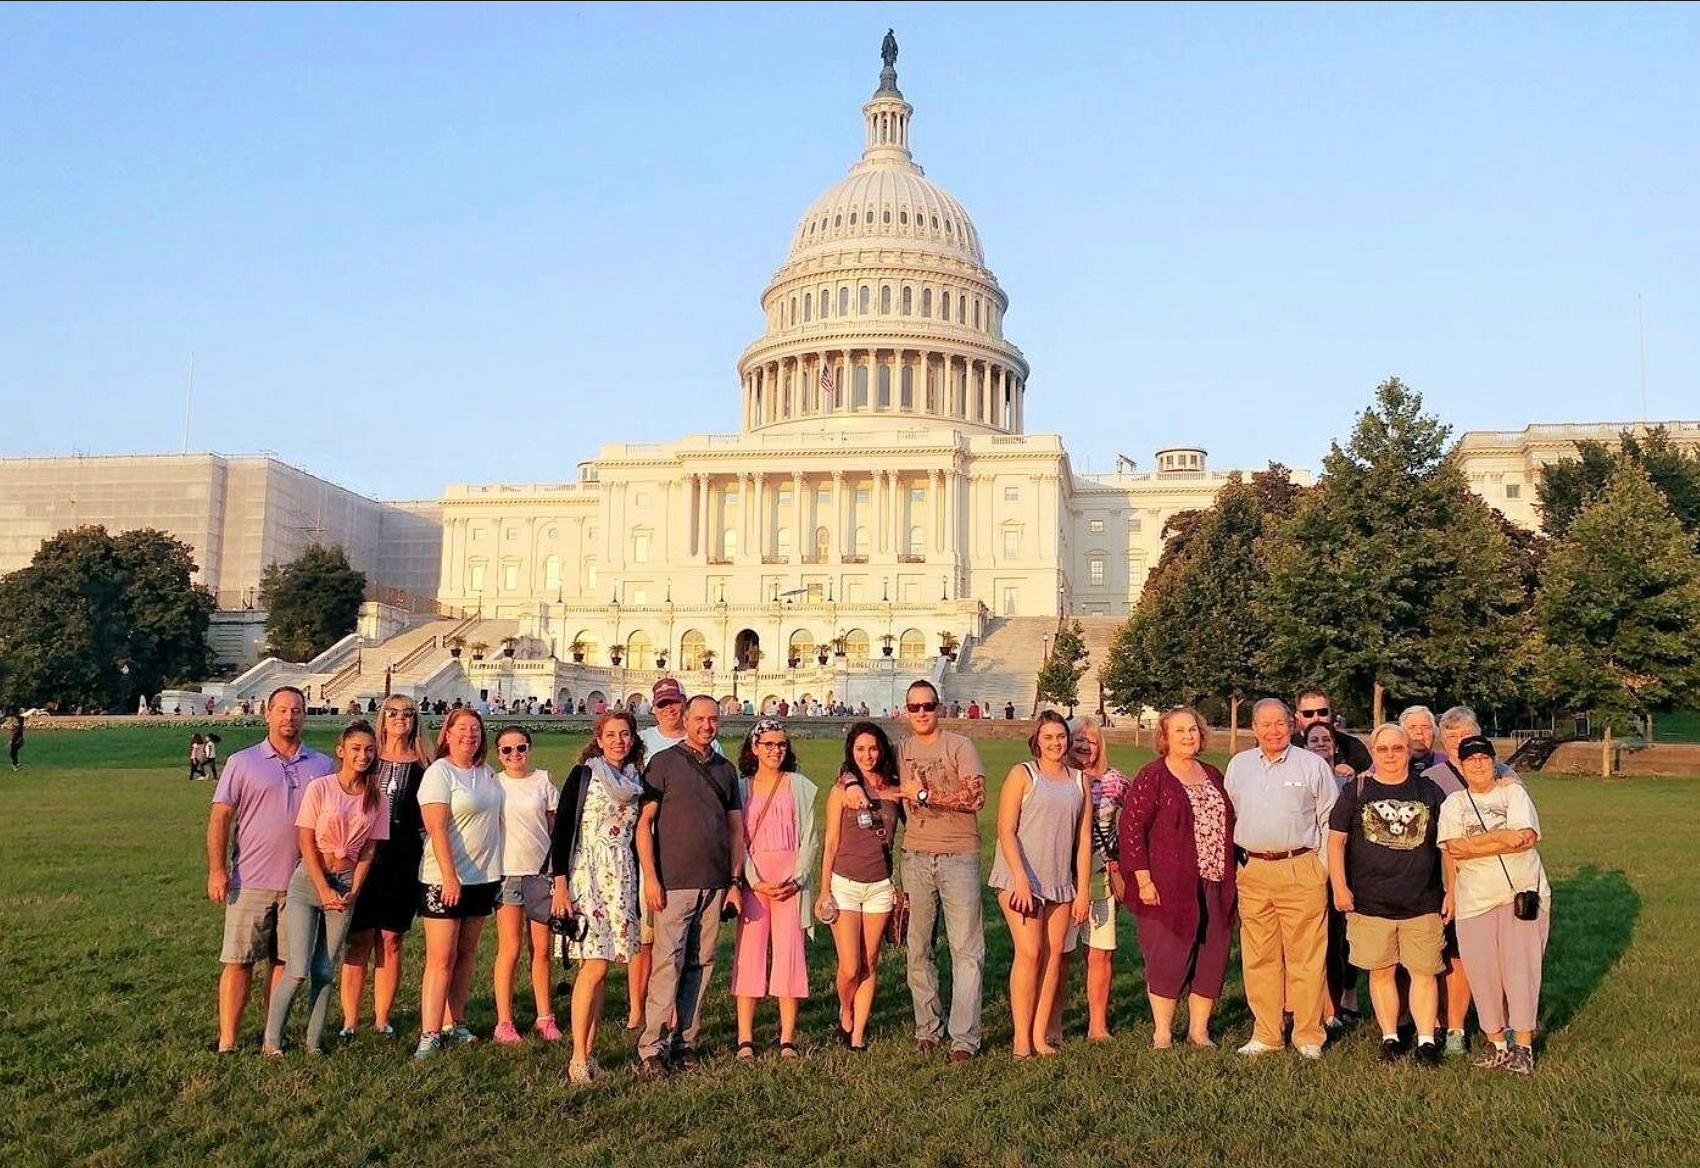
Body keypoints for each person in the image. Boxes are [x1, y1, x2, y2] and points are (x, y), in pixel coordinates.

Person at [206, 686, 335, 1052]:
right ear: (268, 714)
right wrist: (217, 870)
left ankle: (270, 1035)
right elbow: (220, 818)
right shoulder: (243, 762)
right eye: (282, 710)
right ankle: (228, 1039)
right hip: (250, 879)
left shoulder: (323, 766)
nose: (289, 717)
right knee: (239, 961)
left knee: (284, 963)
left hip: (301, 884)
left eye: (297, 710)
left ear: (305, 716)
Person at [874, 679, 986, 1061]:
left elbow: (976, 797)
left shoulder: (959, 746)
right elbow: (865, 766)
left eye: (928, 706)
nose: (922, 713)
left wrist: (924, 795)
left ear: (939, 708)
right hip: (916, 856)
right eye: (915, 707)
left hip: (959, 856)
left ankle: (964, 1037)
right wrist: (848, 782)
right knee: (919, 948)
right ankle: (927, 1027)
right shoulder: (900, 750)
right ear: (906, 711)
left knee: (966, 949)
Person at [1327, 723, 1450, 1067]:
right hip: (1370, 902)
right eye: (1383, 749)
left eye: (1398, 748)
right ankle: (1390, 1037)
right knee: (1380, 971)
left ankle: (1426, 1040)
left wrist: (1451, 891)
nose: (1391, 755)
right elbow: (1336, 841)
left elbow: (1448, 847)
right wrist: (1340, 886)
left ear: (1409, 751)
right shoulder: (1356, 790)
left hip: (1421, 901)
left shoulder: (1429, 791)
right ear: (1374, 752)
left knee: (1423, 972)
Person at [262, 721, 389, 1054]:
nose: (363, 755)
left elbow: (370, 850)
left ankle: (313, 1041)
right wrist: (323, 888)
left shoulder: (376, 797)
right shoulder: (321, 787)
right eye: (357, 748)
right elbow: (305, 838)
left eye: (369, 750)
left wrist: (354, 890)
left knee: (325, 969)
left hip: (346, 884)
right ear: (341, 750)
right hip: (309, 881)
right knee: (297, 968)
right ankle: (272, 1040)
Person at [634, 695, 745, 1075]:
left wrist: (733, 881)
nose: (706, 726)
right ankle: (652, 1044)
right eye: (699, 719)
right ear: (684, 719)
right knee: (668, 962)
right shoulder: (663, 763)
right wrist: (651, 876)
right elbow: (644, 826)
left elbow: (735, 829)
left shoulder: (726, 770)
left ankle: (685, 1039)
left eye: (713, 720)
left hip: (714, 880)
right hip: (675, 880)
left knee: (702, 963)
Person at [1223, 698, 1338, 1059]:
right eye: (1265, 724)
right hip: (1254, 870)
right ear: (1253, 728)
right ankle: (1267, 1033)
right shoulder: (1239, 766)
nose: (1273, 731)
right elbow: (1235, 813)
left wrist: (1321, 868)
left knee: (1305, 955)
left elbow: (1329, 820)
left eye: (1280, 724)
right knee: (1259, 955)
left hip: (1300, 867)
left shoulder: (1312, 765)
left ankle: (1307, 1035)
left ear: (1292, 725)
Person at [1118, 706, 1237, 1048]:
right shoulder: (1153, 775)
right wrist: (1143, 879)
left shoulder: (1213, 774)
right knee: (1168, 955)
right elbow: (1131, 829)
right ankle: (1163, 1032)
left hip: (1215, 878)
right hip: (1168, 884)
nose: (1188, 736)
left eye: (1193, 730)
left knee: (1213, 954)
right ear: (1164, 738)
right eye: (1180, 731)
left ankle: (1199, 1031)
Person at [1437, 736, 1550, 1075]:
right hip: (1475, 901)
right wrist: (1500, 839)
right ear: (1460, 764)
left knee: (1521, 970)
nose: (1477, 765)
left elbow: (1524, 838)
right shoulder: (1454, 803)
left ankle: (1523, 1046)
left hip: (1521, 894)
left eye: (1483, 759)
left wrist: (1473, 846)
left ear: (1493, 761)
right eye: (1469, 760)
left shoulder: (1513, 792)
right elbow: (1451, 848)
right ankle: (1497, 1042)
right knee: (1483, 974)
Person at [988, 710, 1091, 1059]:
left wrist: (1083, 890)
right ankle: (1020, 1038)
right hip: (1020, 879)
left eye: (1060, 737)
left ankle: (1040, 1035)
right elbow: (1005, 829)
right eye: (1048, 737)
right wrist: (1020, 879)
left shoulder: (1080, 781)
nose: (1055, 743)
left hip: (1060, 882)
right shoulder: (1023, 774)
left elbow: (1084, 838)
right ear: (1037, 741)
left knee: (1053, 956)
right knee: (1030, 953)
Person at [551, 711, 647, 1083]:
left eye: (625, 734)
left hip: (621, 874)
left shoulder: (636, 779)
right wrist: (560, 885)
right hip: (587, 871)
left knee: (605, 966)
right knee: (592, 966)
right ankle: (577, 1057)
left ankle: (589, 1053)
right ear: (599, 738)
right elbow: (562, 831)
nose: (619, 740)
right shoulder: (584, 773)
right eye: (611, 735)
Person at [1423, 705, 1518, 1054]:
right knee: (1459, 957)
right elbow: (1441, 842)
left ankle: (1508, 1025)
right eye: (1450, 737)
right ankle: (1455, 1028)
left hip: (1502, 880)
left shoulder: (1505, 774)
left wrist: (1473, 845)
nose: (1457, 743)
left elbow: (1518, 830)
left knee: (1505, 956)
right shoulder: (1434, 779)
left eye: (1464, 735)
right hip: (1454, 880)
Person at [414, 708, 505, 1058]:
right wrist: (450, 877)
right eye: (461, 728)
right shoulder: (440, 773)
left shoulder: (487, 774)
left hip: (482, 877)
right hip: (444, 878)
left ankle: (457, 1021)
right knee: (441, 957)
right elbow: (436, 829)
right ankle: (430, 1031)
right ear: (447, 734)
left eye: (475, 729)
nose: (469, 734)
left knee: (466, 955)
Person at [339, 696, 431, 1038]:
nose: (400, 719)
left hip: (403, 858)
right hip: (363, 857)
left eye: (408, 714)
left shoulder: (424, 765)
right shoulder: (368, 758)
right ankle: (350, 1019)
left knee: (391, 938)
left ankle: (381, 1018)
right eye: (392, 713)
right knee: (359, 938)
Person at [732, 720, 819, 1059]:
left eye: (781, 744)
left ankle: (787, 1038)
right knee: (749, 955)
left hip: (789, 882)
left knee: (790, 953)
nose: (775, 750)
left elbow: (810, 838)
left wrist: (797, 878)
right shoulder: (742, 789)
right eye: (768, 744)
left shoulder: (799, 785)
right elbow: (737, 839)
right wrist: (753, 880)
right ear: (754, 748)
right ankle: (745, 1038)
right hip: (757, 882)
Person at [817, 722, 902, 1051]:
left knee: (870, 961)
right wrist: (825, 890)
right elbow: (831, 841)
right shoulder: (842, 788)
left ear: (881, 750)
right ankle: (846, 1007)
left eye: (873, 748)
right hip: (845, 883)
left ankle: (858, 1033)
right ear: (851, 753)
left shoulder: (892, 789)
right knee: (850, 965)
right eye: (860, 749)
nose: (868, 755)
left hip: (880, 884)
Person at [1055, 715, 1129, 1043]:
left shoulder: (1116, 781)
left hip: (1101, 875)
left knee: (1100, 952)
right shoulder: (1056, 778)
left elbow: (1137, 822)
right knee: (1060, 952)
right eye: (1078, 740)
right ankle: (1053, 1023)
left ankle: (1097, 1025)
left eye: (1091, 741)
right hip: (1061, 875)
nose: (1084, 746)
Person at [491, 725, 561, 1044]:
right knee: (510, 949)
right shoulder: (494, 784)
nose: (514, 755)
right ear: (498, 754)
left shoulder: (543, 781)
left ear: (529, 749)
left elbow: (553, 827)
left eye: (520, 748)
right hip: (507, 872)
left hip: (539, 873)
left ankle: (544, 1016)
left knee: (542, 950)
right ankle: (504, 1021)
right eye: (507, 750)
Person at [1304, 719, 1361, 1030]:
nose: (1321, 744)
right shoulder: (1302, 776)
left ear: (1336, 746)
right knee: (1313, 940)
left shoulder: (1349, 782)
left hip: (1343, 868)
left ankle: (1338, 1004)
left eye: (1326, 739)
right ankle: (1310, 1003)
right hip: (1309, 867)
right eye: (1314, 740)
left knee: (1340, 940)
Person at [1292, 688, 1370, 774]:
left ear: (1330, 713)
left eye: (1322, 712)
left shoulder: (1352, 746)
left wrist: (1352, 778)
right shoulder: (1288, 747)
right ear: (1298, 716)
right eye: (1308, 714)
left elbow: (1373, 779)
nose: (1316, 718)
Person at [1399, 706, 1441, 772]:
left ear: (1434, 732)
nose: (1419, 732)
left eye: (1425, 727)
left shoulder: (1447, 765)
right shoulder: (1386, 767)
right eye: (1412, 727)